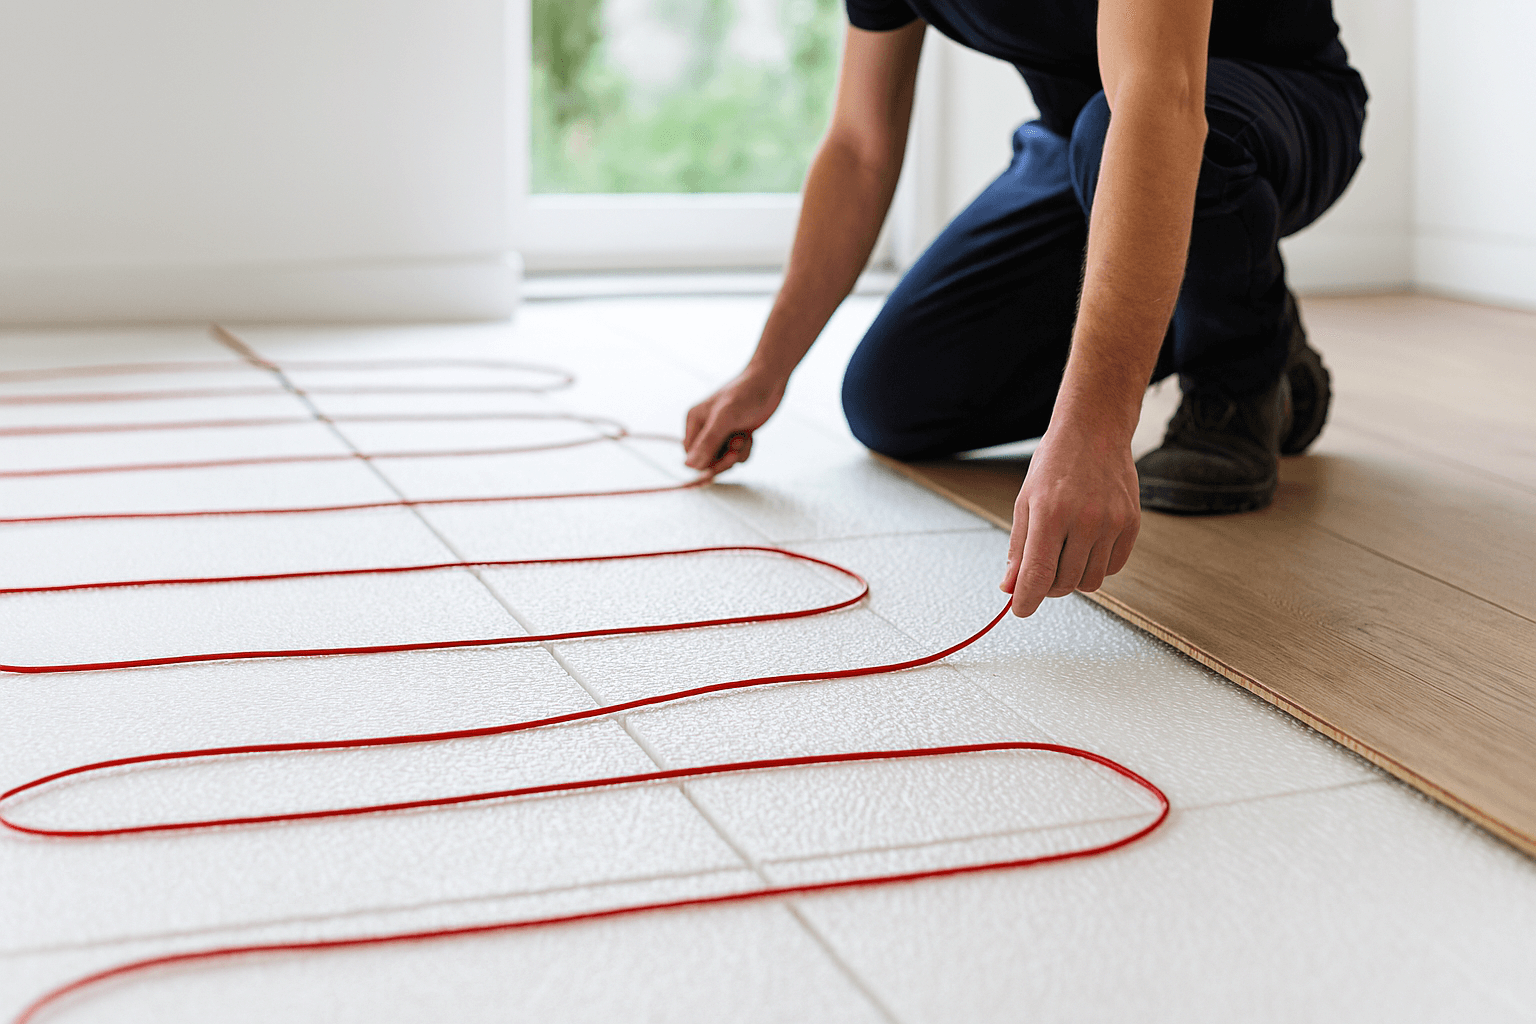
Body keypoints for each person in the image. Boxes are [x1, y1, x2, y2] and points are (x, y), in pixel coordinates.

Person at [681, 0, 1367, 619]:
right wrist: (766, 369)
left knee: (1126, 124)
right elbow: (860, 147)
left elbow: (1159, 97)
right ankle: (1211, 303)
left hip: (1258, 107)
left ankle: (1242, 369)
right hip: (1083, 142)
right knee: (895, 399)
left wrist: (1096, 428)